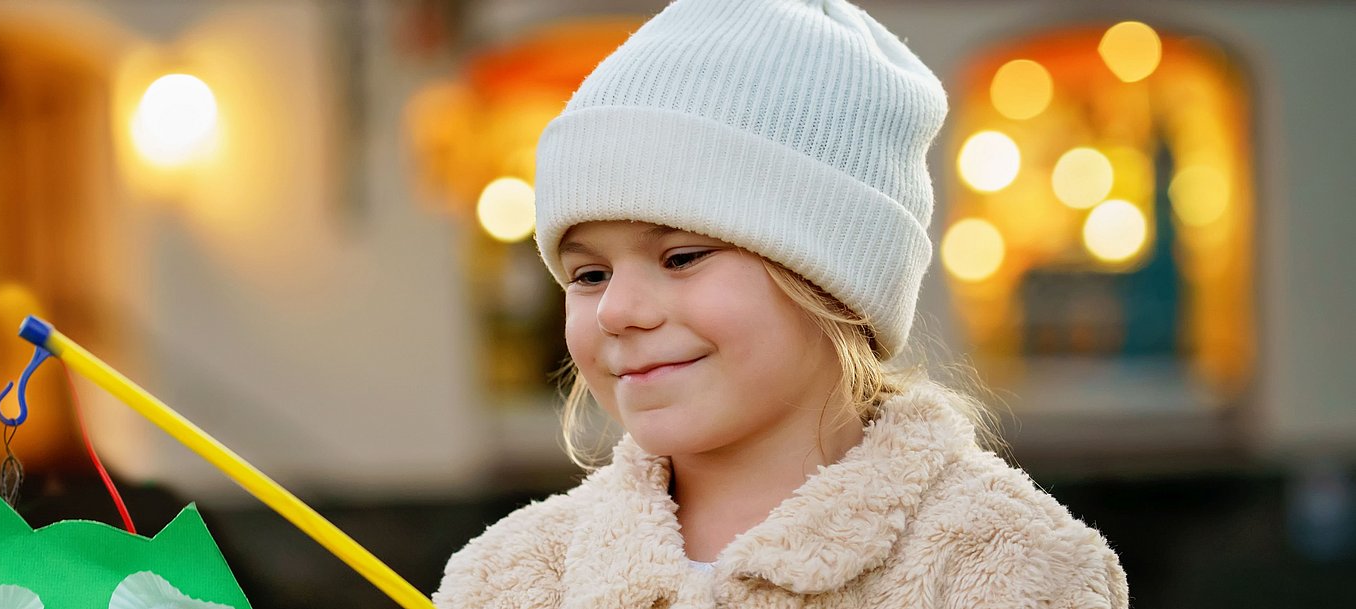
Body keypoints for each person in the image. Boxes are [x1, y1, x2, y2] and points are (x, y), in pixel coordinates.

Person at [431, 0, 1128, 607]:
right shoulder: (506, 579)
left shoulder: (1009, 569)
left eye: (681, 257)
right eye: (588, 275)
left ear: (833, 279)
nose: (617, 310)